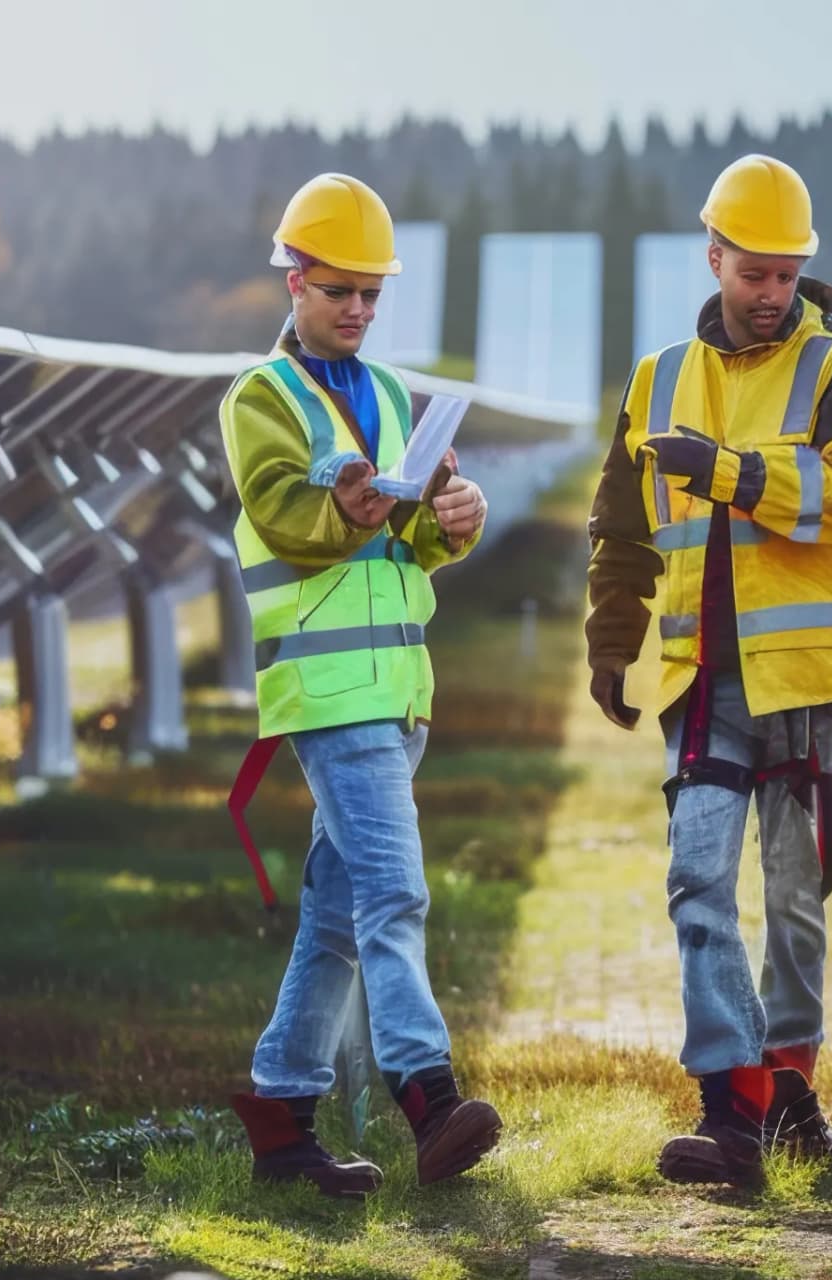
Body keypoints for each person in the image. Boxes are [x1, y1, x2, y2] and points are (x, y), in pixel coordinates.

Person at [582, 154, 832, 1195]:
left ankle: (791, 1087)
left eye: (788, 274)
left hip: (807, 685)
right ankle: (733, 1108)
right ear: (714, 256)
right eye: (755, 273)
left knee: (793, 897)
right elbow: (620, 527)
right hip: (702, 681)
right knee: (697, 883)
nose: (773, 294)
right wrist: (608, 638)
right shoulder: (657, 378)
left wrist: (726, 472)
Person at [216, 172, 499, 1199]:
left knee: (337, 916)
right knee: (395, 892)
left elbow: (410, 538)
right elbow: (289, 515)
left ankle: (282, 1120)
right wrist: (346, 503)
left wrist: (448, 519)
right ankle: (428, 1096)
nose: (360, 309)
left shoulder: (387, 395)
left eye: (373, 292)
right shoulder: (262, 399)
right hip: (329, 698)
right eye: (341, 289)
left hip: (398, 691)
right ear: (293, 280)